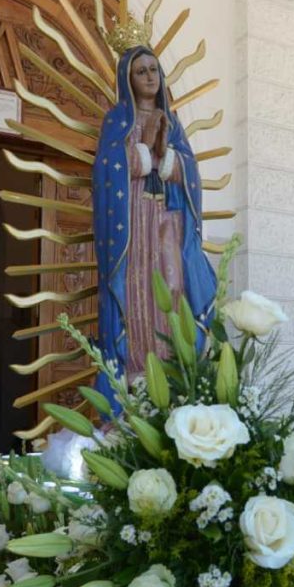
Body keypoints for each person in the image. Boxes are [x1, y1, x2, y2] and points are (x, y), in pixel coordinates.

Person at [93, 43, 217, 413]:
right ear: (127, 79)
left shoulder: (173, 122)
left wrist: (170, 158)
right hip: (132, 226)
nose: (150, 76)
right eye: (141, 71)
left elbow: (190, 172)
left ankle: (173, 368)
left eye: (154, 70)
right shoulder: (117, 121)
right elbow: (105, 169)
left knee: (173, 285)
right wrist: (141, 155)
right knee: (137, 290)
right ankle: (138, 371)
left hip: (168, 222)